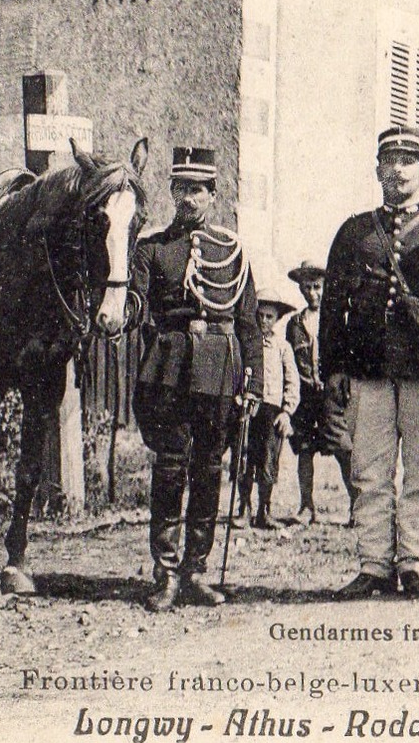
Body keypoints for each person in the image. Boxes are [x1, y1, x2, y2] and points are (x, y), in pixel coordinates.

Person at [321, 127, 419, 600]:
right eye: (390, 160)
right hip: (369, 367)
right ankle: (374, 565)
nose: (398, 169)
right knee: (369, 470)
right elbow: (332, 305)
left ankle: (416, 560)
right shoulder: (354, 232)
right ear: (377, 169)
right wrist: (335, 367)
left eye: (409, 160)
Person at [132, 147, 261, 611]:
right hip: (170, 370)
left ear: (213, 194)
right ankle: (165, 573)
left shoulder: (232, 251)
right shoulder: (151, 249)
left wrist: (255, 384)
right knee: (170, 467)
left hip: (221, 372)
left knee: (209, 467)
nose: (188, 198)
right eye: (181, 188)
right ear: (171, 192)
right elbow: (139, 310)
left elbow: (248, 323)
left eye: (198, 190)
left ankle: (196, 571)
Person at [284, 259, 356, 525]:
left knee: (342, 447)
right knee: (304, 447)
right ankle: (306, 506)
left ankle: (356, 506)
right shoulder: (295, 324)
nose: (312, 293)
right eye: (307, 288)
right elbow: (291, 362)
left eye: (317, 287)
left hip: (331, 396)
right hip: (305, 396)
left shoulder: (336, 320)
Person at [237, 298, 298, 530]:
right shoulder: (247, 345)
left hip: (272, 411)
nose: (263, 320)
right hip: (250, 407)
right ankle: (244, 509)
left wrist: (287, 411)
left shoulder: (283, 347)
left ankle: (265, 510)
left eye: (269, 317)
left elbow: (292, 382)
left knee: (268, 460)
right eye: (260, 315)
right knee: (244, 458)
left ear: (276, 319)